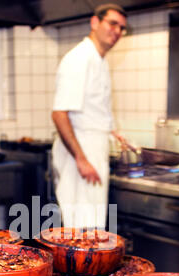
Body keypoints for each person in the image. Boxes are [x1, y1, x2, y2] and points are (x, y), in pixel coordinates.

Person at [51, 3, 127, 229]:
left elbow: (91, 110)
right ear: (95, 22)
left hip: (93, 150)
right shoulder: (79, 59)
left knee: (92, 228)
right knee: (82, 231)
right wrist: (82, 160)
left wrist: (113, 132)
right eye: (112, 23)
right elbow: (59, 114)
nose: (117, 31)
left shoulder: (99, 60)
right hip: (80, 155)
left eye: (122, 28)